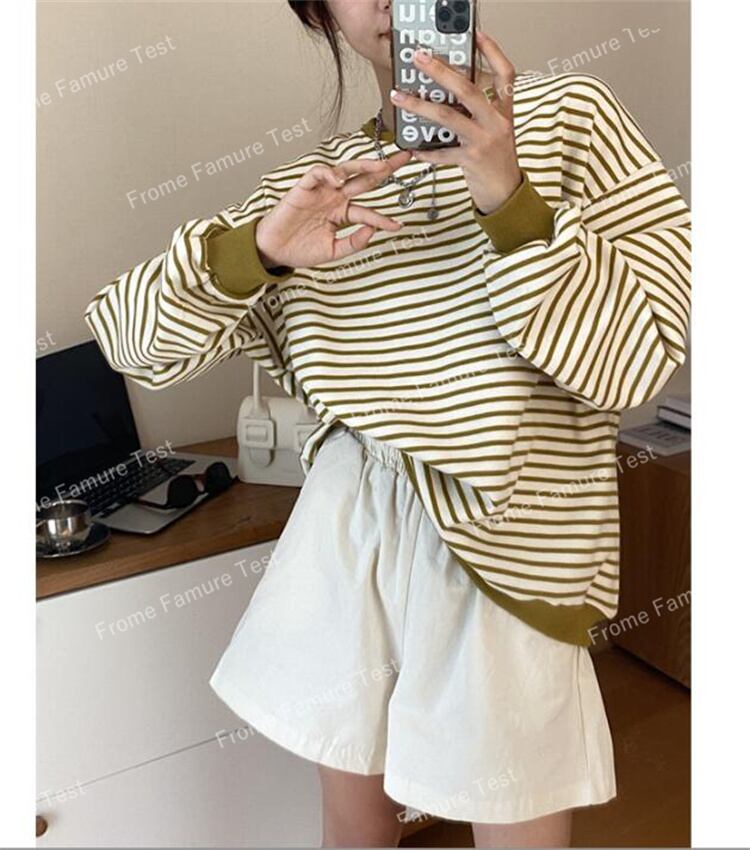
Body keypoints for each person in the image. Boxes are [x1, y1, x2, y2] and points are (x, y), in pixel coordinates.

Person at [84, 1, 691, 846]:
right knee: (355, 823)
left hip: (512, 542)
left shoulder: (572, 119)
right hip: (347, 532)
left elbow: (635, 360)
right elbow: (129, 341)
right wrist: (257, 252)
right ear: (320, 13)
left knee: (515, 822)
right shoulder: (317, 185)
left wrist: (510, 196)